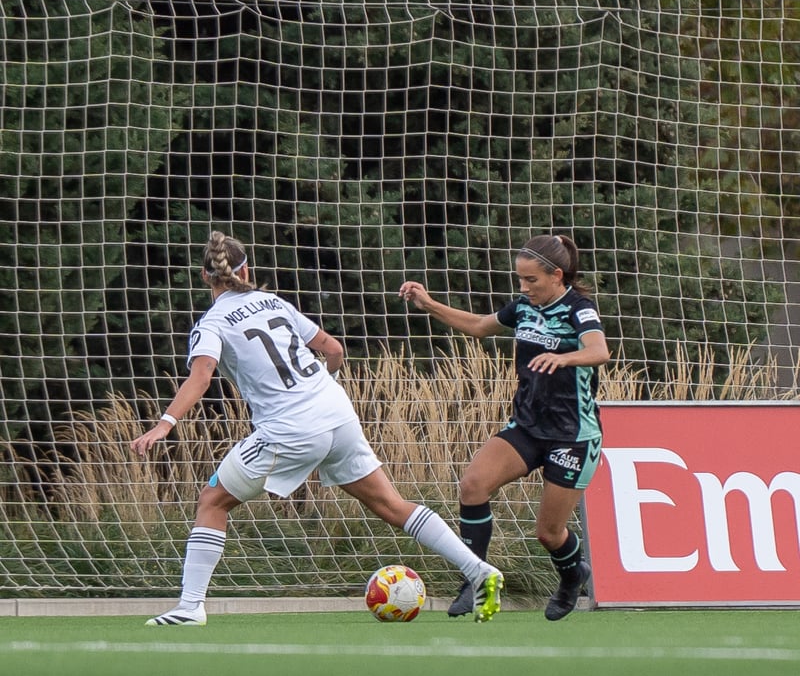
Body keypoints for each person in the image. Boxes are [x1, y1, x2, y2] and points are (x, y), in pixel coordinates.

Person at [131, 230, 503, 626]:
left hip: (289, 428)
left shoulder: (212, 323)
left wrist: (164, 424)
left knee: (212, 501)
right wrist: (322, 389)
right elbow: (334, 350)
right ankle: (477, 568)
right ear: (247, 270)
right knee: (392, 505)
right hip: (336, 412)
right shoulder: (274, 302)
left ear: (205, 277)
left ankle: (190, 607)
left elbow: (201, 376)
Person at [399, 234, 610, 621]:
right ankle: (474, 577)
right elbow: (481, 326)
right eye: (520, 280)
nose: (524, 288)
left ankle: (572, 576)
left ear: (556, 276)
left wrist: (564, 359)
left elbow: (599, 351)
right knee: (473, 485)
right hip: (527, 427)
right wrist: (428, 304)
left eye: (531, 280)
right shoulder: (524, 308)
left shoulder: (578, 309)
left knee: (549, 533)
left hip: (573, 436)